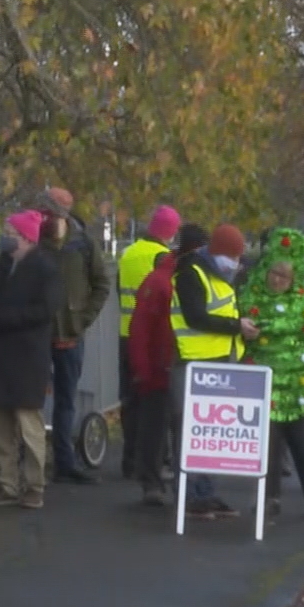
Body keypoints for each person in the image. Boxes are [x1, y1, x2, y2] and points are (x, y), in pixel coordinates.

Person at [241, 228, 304, 522]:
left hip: (299, 384)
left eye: (283, 277)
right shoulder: (249, 300)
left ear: (293, 278)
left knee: (303, 443)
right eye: (274, 273)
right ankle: (268, 498)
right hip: (263, 384)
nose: (277, 280)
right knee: (268, 446)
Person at [0, 210, 65, 510]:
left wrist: (1, 318)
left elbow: (44, 310)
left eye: (9, 233)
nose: (4, 238)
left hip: (27, 356)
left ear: (26, 238)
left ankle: (34, 486)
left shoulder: (45, 268)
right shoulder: (3, 265)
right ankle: (8, 483)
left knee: (29, 425)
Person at [171, 223, 257, 519]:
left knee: (211, 434)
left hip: (219, 361)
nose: (236, 263)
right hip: (195, 362)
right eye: (232, 256)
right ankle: (189, 496)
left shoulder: (218, 274)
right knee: (191, 432)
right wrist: (237, 327)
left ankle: (205, 494)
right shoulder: (191, 274)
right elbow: (196, 317)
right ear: (218, 252)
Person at [38, 187, 111, 484]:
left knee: (66, 399)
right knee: (31, 398)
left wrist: (83, 319)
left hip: (70, 334)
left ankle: (64, 462)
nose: (46, 217)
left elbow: (102, 284)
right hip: (38, 334)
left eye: (51, 212)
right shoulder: (34, 241)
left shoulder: (82, 243)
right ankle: (29, 462)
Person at [117, 206, 181, 481]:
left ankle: (129, 459)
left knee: (131, 401)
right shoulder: (162, 258)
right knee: (155, 407)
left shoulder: (129, 252)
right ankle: (157, 462)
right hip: (152, 338)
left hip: (125, 333)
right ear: (170, 232)